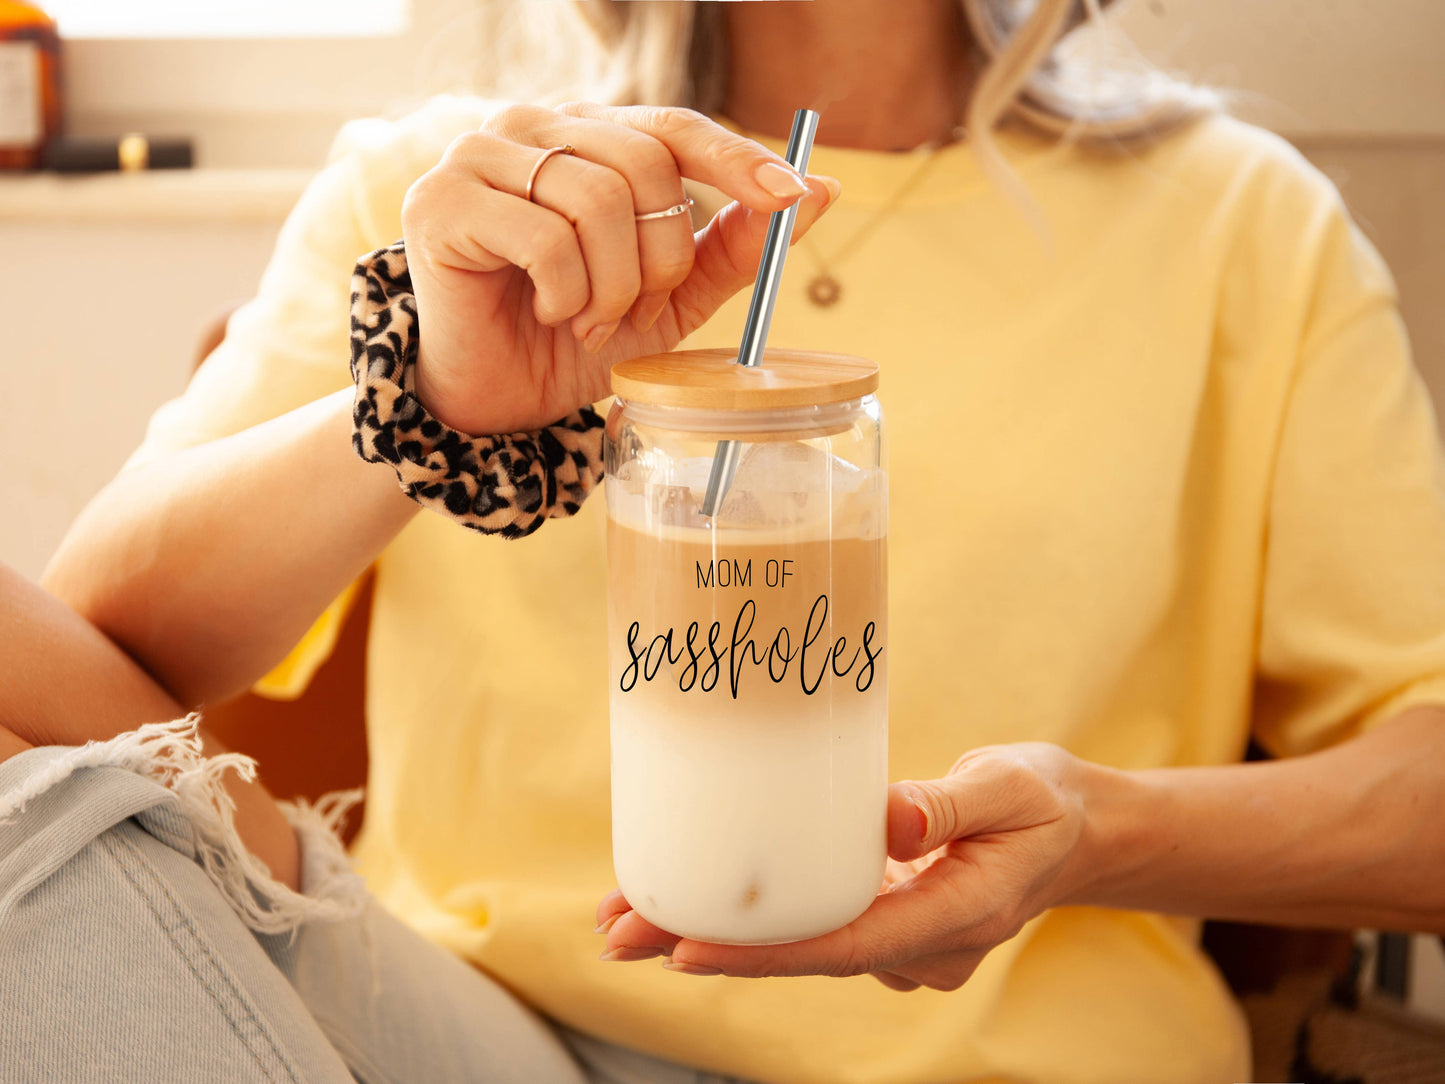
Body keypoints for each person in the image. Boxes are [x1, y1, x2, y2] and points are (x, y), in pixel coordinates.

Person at [39, 0, 1445, 1081]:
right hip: (475, 1036)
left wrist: (1094, 836)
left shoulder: (1237, 225)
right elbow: (69, 682)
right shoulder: (462, 200)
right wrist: (428, 411)